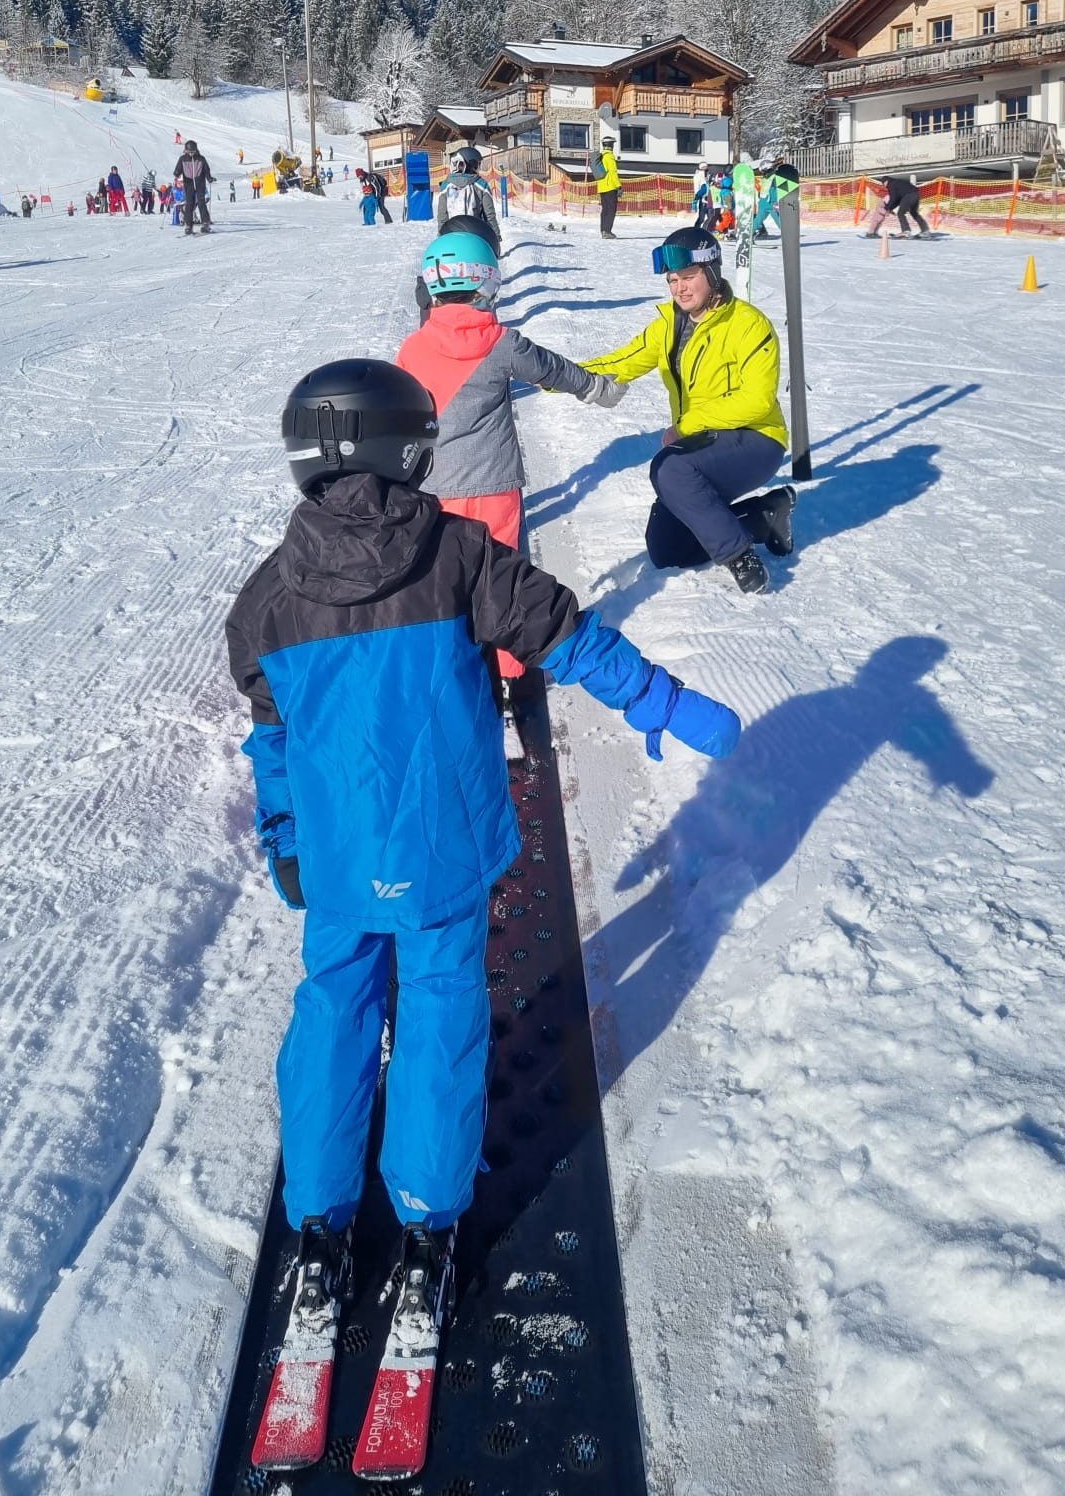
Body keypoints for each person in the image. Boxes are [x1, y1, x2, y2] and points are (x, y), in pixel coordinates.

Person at [225, 357, 739, 1325]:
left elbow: (273, 738)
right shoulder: (460, 558)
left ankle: (321, 1230)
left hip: (339, 863)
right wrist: (659, 700)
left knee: (333, 1010)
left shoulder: (266, 601)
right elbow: (567, 637)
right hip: (444, 854)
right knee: (438, 1019)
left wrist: (285, 836)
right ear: (404, 451)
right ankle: (426, 1230)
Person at [396, 230, 622, 682]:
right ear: (487, 282)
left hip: (435, 490)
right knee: (504, 580)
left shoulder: (412, 348)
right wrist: (595, 387)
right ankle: (508, 673)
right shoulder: (501, 341)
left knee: (444, 578)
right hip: (494, 489)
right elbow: (551, 369)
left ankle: (451, 669)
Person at [583, 227, 795, 595]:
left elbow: (757, 400)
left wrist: (687, 425)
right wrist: (557, 375)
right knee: (668, 549)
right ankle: (763, 518)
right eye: (673, 280)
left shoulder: (748, 324)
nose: (680, 288)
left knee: (670, 468)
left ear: (711, 272)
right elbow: (623, 361)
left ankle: (740, 556)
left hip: (757, 440)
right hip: (703, 445)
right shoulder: (670, 324)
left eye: (689, 276)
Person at [436, 148, 501, 254]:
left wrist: (441, 237)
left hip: (452, 236)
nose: (477, 168)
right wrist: (496, 237)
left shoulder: (446, 185)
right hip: (476, 236)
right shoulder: (481, 184)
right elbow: (489, 215)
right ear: (470, 165)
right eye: (476, 164)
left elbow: (442, 216)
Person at [865, 175, 929, 239]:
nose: (884, 186)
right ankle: (925, 230)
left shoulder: (891, 184)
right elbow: (897, 200)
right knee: (914, 213)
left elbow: (893, 198)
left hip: (909, 195)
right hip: (916, 194)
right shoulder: (897, 183)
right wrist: (890, 208)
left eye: (883, 184)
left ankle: (906, 231)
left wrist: (888, 208)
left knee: (900, 213)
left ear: (886, 181)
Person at [175, 140, 213, 234]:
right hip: (189, 184)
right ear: (186, 151)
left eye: (193, 151)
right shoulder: (183, 159)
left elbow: (206, 170)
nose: (191, 153)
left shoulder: (201, 159)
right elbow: (178, 168)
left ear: (196, 150)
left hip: (200, 183)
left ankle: (205, 223)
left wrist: (209, 178)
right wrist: (177, 172)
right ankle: (188, 225)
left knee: (201, 204)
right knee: (189, 205)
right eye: (189, 152)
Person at [596, 135, 621, 238]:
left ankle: (603, 230)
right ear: (611, 145)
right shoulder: (609, 156)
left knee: (605, 210)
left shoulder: (601, 156)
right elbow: (613, 172)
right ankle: (607, 231)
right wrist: (618, 186)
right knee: (611, 210)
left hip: (602, 187)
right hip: (610, 186)